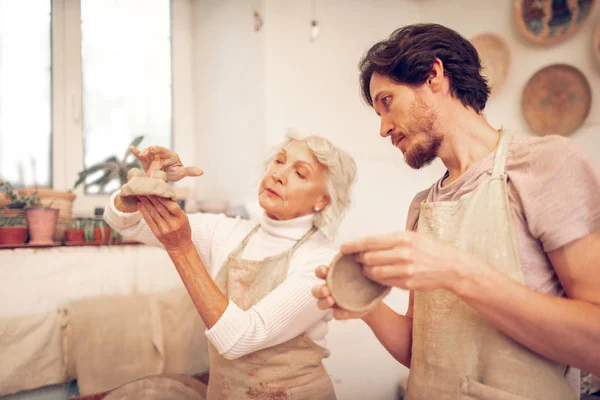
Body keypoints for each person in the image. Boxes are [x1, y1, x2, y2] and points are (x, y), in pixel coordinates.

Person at [312, 23, 600, 400]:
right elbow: (421, 354)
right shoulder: (423, 206)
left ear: (433, 76)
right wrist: (361, 303)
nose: (383, 129)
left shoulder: (546, 165)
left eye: (387, 102)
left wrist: (456, 271)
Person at [104, 132, 357, 399]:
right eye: (279, 161)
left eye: (300, 173)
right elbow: (126, 223)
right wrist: (138, 193)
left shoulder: (322, 262)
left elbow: (240, 340)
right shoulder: (225, 231)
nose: (278, 175)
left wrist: (181, 249)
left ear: (322, 200)